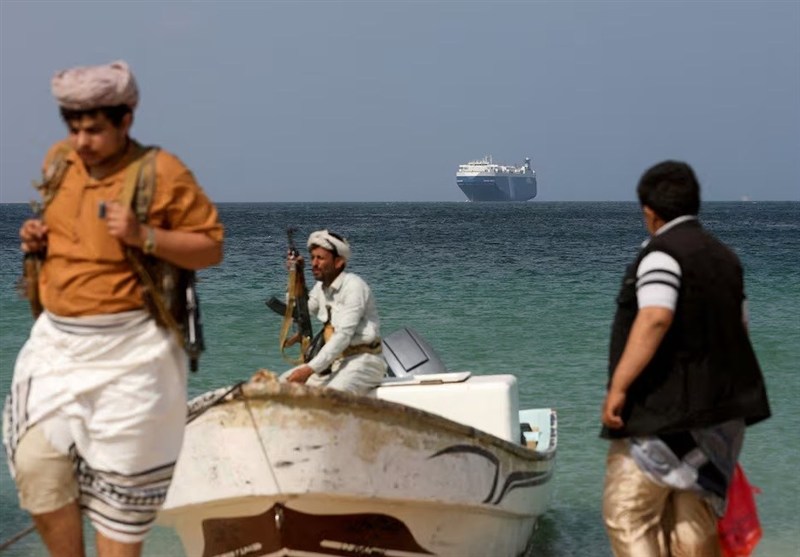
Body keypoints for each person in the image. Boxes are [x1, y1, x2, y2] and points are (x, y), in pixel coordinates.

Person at [2, 60, 224, 557]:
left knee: (120, 497)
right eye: (74, 128)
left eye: (94, 130)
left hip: (134, 353)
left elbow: (211, 248)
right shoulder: (60, 162)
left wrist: (144, 235)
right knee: (36, 467)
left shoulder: (161, 172)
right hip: (57, 347)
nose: (82, 141)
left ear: (126, 120)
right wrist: (38, 240)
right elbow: (73, 232)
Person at [600, 160, 770, 556]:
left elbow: (656, 317)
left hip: (661, 419)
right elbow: (740, 329)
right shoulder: (726, 259)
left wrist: (619, 387)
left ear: (649, 212)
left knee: (629, 515)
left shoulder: (660, 255)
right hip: (719, 421)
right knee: (693, 525)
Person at [283, 230, 387, 394]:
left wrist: (309, 369)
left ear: (338, 262)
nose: (314, 263)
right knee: (279, 386)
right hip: (334, 363)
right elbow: (299, 312)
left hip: (364, 362)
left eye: (320, 258)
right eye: (312, 258)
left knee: (330, 396)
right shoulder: (321, 288)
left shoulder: (354, 286)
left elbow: (343, 335)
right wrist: (296, 275)